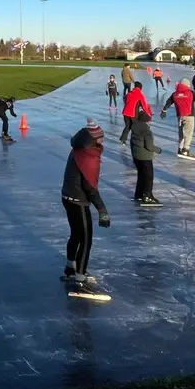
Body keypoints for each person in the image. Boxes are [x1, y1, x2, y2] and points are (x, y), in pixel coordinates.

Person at [61, 118, 111, 287]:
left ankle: (71, 268)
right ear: (93, 139)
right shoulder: (88, 156)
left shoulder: (79, 148)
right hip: (78, 200)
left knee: (76, 235)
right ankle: (80, 278)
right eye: (100, 137)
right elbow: (90, 187)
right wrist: (102, 210)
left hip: (68, 196)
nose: (103, 140)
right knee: (86, 239)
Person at [161, 78, 195, 160]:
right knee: (188, 133)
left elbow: (168, 102)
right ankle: (185, 150)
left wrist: (164, 110)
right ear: (187, 85)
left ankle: (180, 149)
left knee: (181, 133)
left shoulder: (175, 93)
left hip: (180, 116)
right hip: (189, 116)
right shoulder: (190, 93)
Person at [130, 110, 161, 204]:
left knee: (141, 175)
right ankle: (147, 196)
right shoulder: (146, 131)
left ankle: (139, 194)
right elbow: (149, 146)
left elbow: (132, 143)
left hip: (136, 156)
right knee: (148, 177)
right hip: (145, 157)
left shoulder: (134, 128)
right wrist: (158, 150)